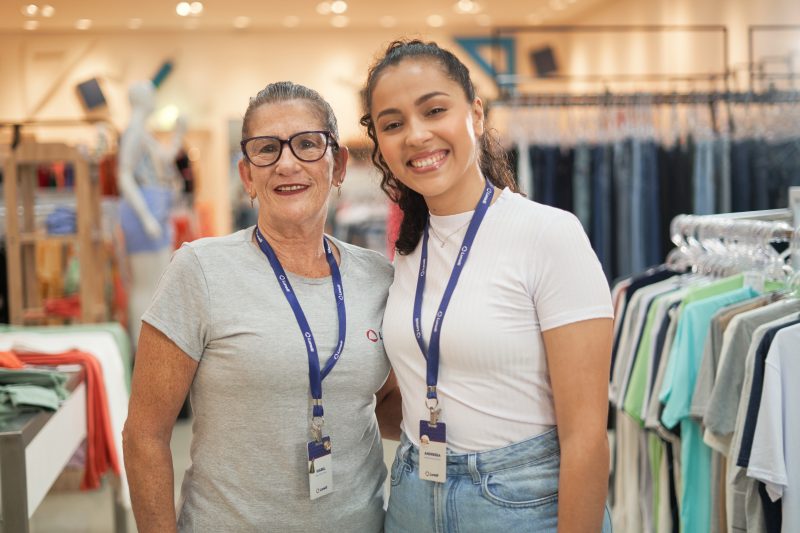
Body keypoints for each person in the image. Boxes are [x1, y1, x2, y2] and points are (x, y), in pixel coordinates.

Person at [123, 81, 400, 533]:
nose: (287, 163)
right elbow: (144, 435)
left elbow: (387, 403)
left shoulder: (378, 278)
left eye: (308, 144)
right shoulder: (201, 270)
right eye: (266, 149)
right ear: (247, 175)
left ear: (339, 165)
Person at [360, 40, 614, 532]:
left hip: (521, 503)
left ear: (475, 114)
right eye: (392, 124)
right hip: (412, 493)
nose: (416, 135)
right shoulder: (409, 248)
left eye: (434, 110)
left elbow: (586, 437)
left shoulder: (549, 234)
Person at [117, 79, 185, 348]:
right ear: (141, 98)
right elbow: (123, 174)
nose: (155, 98)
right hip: (143, 210)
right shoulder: (133, 131)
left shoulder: (142, 131)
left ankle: (149, 346)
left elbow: (164, 158)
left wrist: (179, 133)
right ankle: (141, 348)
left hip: (154, 207)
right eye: (151, 94)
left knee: (157, 284)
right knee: (146, 286)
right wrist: (145, 216)